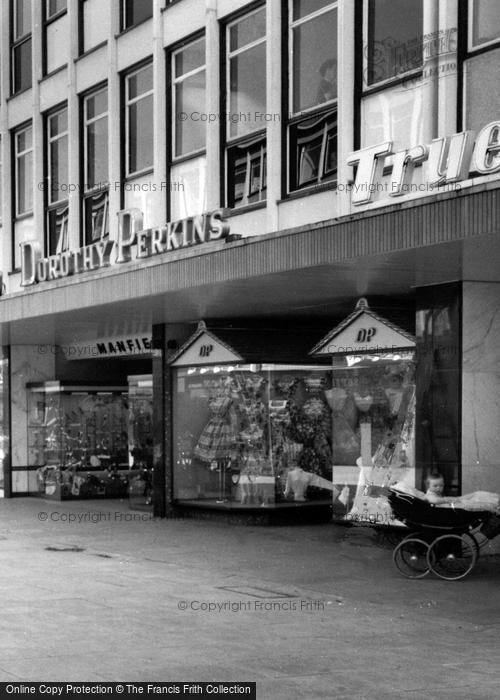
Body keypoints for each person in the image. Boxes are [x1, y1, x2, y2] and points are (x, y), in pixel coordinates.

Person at [424, 472, 500, 512]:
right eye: (435, 486)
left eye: (441, 485)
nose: (438, 488)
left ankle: (496, 499)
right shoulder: (429, 496)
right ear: (428, 486)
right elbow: (435, 500)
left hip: (453, 506)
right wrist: (450, 499)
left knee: (476, 494)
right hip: (453, 509)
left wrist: (455, 499)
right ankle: (495, 504)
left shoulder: (435, 494)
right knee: (474, 502)